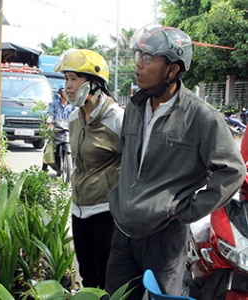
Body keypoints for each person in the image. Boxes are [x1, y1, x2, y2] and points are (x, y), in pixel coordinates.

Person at [105, 24, 246, 299]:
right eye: (138, 56)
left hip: (164, 236)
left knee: (162, 297)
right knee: (116, 296)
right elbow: (126, 158)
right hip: (124, 231)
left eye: (148, 58)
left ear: (173, 68)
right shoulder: (134, 108)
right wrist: (119, 198)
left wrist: (189, 210)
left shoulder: (201, 117)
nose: (139, 65)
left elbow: (232, 171)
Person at [54, 49, 124, 288]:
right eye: (66, 79)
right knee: (87, 274)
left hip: (106, 210)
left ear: (95, 84)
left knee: (106, 275)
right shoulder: (74, 118)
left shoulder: (117, 118)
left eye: (74, 78)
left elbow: (134, 163)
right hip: (79, 207)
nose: (68, 86)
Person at [42, 85, 75, 173]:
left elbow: (77, 114)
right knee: (47, 150)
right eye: (64, 92)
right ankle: (43, 171)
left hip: (69, 131)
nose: (67, 94)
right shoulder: (54, 104)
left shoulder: (73, 105)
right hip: (57, 131)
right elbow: (49, 113)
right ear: (60, 93)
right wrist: (49, 120)